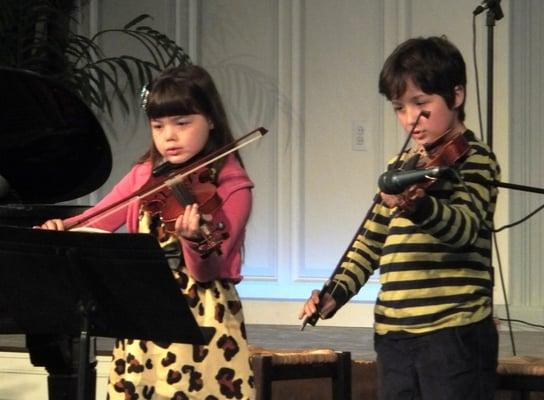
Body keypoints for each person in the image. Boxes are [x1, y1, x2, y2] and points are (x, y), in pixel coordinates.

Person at [299, 36, 501, 399]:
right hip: (394, 333)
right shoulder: (401, 167)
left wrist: (419, 207)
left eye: (421, 104)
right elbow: (371, 240)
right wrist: (336, 292)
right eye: (399, 107)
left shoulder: (475, 159)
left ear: (457, 96)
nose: (410, 119)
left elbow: (465, 229)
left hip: (452, 331)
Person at [39, 65, 256, 400]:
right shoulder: (145, 175)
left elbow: (207, 269)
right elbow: (99, 216)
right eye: (158, 126)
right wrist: (62, 228)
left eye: (182, 123)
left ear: (210, 120)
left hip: (202, 324)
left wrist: (194, 239)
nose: (169, 136)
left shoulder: (232, 185)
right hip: (143, 313)